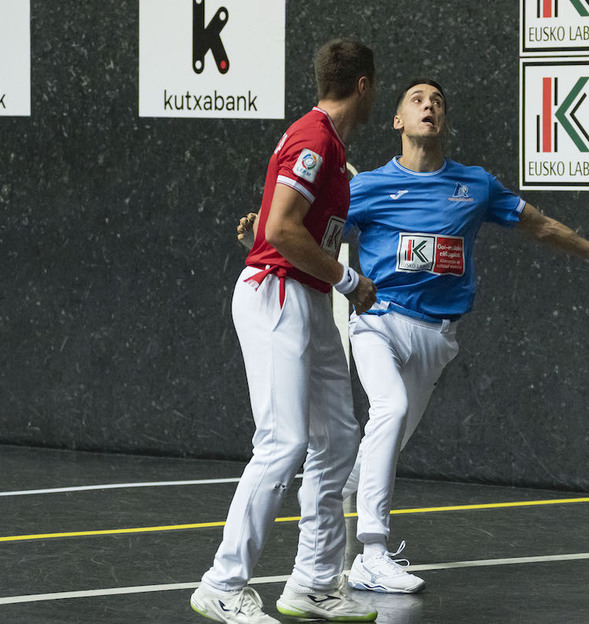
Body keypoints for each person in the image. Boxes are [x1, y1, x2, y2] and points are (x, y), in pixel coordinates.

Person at [340, 79, 589, 594]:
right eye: (417, 100)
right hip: (378, 322)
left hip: (436, 336)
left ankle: (329, 501)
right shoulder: (368, 187)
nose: (428, 106)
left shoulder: (475, 185)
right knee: (389, 410)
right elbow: (313, 231)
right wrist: (266, 232)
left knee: (388, 441)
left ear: (444, 120)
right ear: (398, 121)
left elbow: (539, 225)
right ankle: (372, 553)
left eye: (438, 101)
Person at [190, 39, 379, 624]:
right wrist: (349, 279)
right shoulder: (314, 137)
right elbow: (281, 228)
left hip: (308, 297)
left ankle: (314, 583)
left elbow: (281, 225)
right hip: (278, 293)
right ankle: (223, 584)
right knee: (283, 441)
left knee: (338, 439)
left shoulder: (329, 145)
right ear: (365, 86)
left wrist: (276, 238)